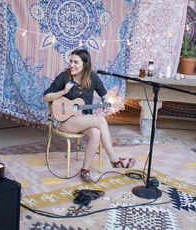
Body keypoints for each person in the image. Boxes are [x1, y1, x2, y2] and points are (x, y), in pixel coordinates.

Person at [43, 49, 136, 182]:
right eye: (71, 61)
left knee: (96, 133)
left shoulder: (93, 77)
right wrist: (63, 91)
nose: (72, 65)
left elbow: (105, 97)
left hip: (83, 121)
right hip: (65, 122)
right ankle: (114, 159)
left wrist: (106, 104)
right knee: (100, 120)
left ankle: (85, 169)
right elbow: (46, 97)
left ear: (85, 64)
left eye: (76, 62)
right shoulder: (64, 76)